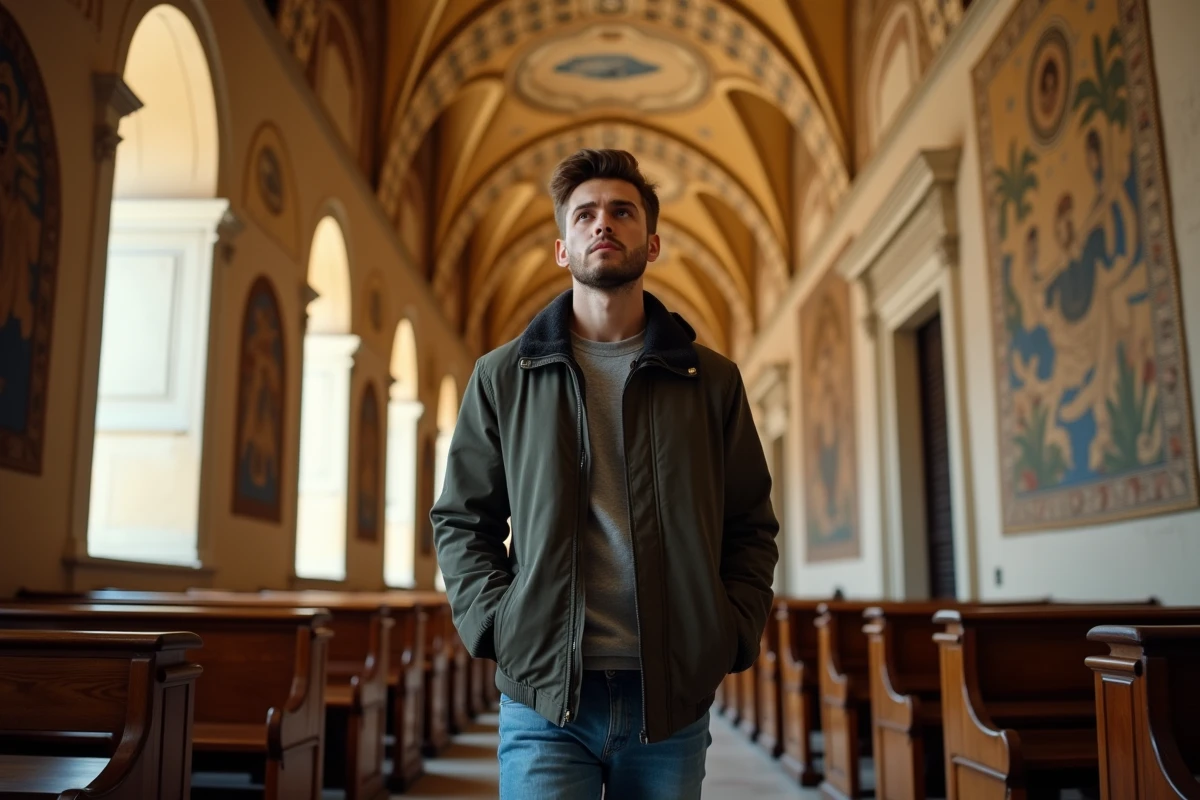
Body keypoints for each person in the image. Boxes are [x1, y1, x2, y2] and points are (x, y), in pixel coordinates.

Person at [431, 148, 780, 799]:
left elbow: (750, 525)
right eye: (585, 213)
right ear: (562, 249)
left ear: (652, 243)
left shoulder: (711, 382)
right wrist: (496, 624)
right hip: (544, 695)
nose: (603, 223)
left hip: (670, 694)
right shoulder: (503, 377)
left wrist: (728, 631)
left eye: (622, 211)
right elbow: (461, 519)